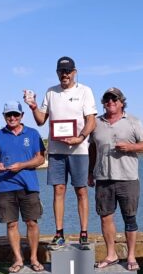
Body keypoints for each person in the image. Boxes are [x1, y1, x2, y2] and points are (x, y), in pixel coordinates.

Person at [24, 56, 97, 249]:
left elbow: (91, 121)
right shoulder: (50, 92)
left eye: (68, 71)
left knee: (81, 190)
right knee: (59, 190)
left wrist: (80, 138)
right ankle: (59, 233)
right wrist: (32, 106)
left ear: (75, 72)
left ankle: (83, 232)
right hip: (56, 151)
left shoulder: (85, 91)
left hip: (79, 150)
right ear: (57, 73)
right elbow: (41, 120)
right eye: (61, 71)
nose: (65, 74)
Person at [87, 87, 143, 271]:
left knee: (129, 218)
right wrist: (90, 172)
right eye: (107, 99)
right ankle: (111, 254)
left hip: (128, 178)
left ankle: (131, 257)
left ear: (122, 102)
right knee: (105, 218)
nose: (110, 102)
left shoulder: (133, 121)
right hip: (103, 179)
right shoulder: (96, 123)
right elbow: (92, 149)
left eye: (114, 99)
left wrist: (130, 147)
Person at [0, 101, 47, 273]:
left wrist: (22, 165)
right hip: (5, 187)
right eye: (8, 115)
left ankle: (34, 258)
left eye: (15, 114)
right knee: (11, 224)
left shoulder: (33, 134)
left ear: (21, 116)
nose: (12, 117)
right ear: (4, 116)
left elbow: (40, 158)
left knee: (31, 223)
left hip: (29, 186)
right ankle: (18, 259)